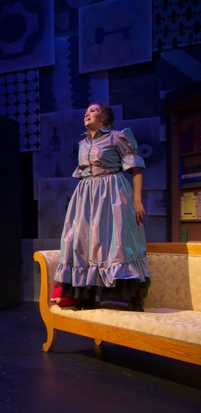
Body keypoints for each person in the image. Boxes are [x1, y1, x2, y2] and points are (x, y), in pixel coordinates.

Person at [54, 102, 150, 311]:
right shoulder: (83, 144)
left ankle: (129, 295)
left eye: (93, 110)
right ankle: (88, 296)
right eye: (86, 111)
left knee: (117, 241)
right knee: (84, 240)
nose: (87, 113)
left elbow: (136, 169)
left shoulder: (117, 137)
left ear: (104, 117)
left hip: (112, 192)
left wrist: (137, 200)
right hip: (86, 195)